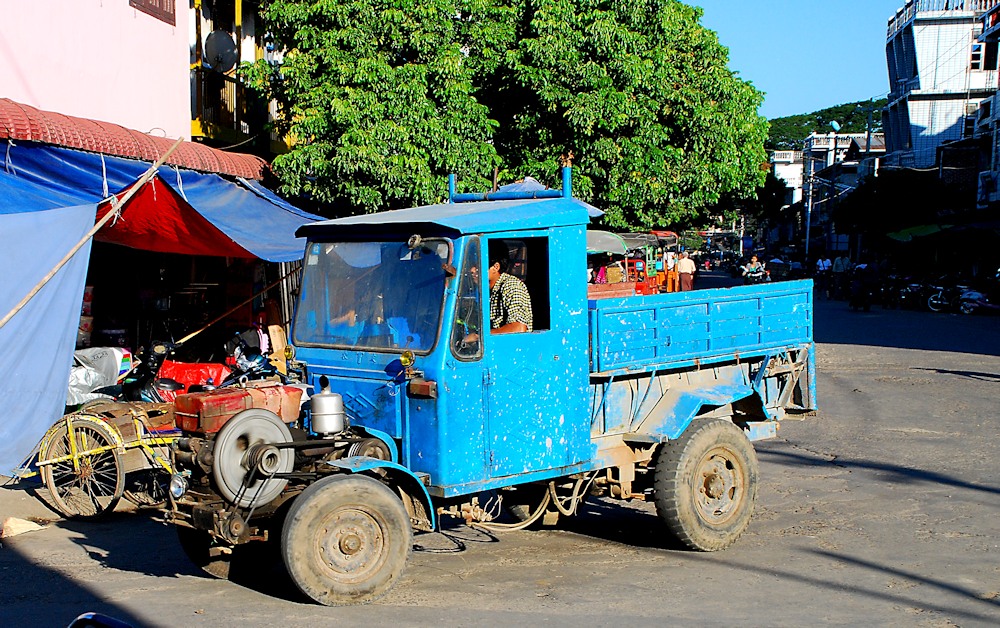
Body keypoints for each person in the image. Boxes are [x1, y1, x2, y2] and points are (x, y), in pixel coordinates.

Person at [486, 239, 533, 334]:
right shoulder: (482, 290)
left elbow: (518, 328)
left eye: (477, 266)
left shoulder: (511, 286)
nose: (472, 270)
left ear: (496, 267)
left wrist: (479, 338)